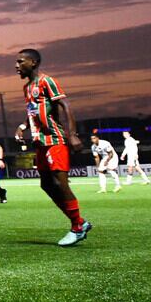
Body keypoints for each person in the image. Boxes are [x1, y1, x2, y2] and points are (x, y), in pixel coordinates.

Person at [16, 47, 90, 246]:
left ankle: (76, 227)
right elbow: (34, 110)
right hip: (40, 142)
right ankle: (80, 223)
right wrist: (23, 126)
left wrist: (72, 135)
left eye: (21, 62)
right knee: (46, 184)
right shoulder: (27, 88)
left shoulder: (46, 81)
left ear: (33, 63)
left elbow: (66, 105)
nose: (17, 66)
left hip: (55, 140)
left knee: (60, 183)